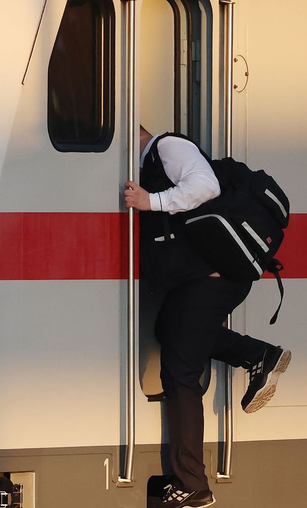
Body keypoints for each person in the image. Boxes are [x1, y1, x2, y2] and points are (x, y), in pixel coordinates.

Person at [124, 126, 291, 508]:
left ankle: (193, 485)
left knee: (179, 371)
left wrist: (151, 201)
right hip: (205, 277)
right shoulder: (154, 159)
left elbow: (205, 187)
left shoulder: (167, 147)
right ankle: (259, 356)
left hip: (213, 278)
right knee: (169, 328)